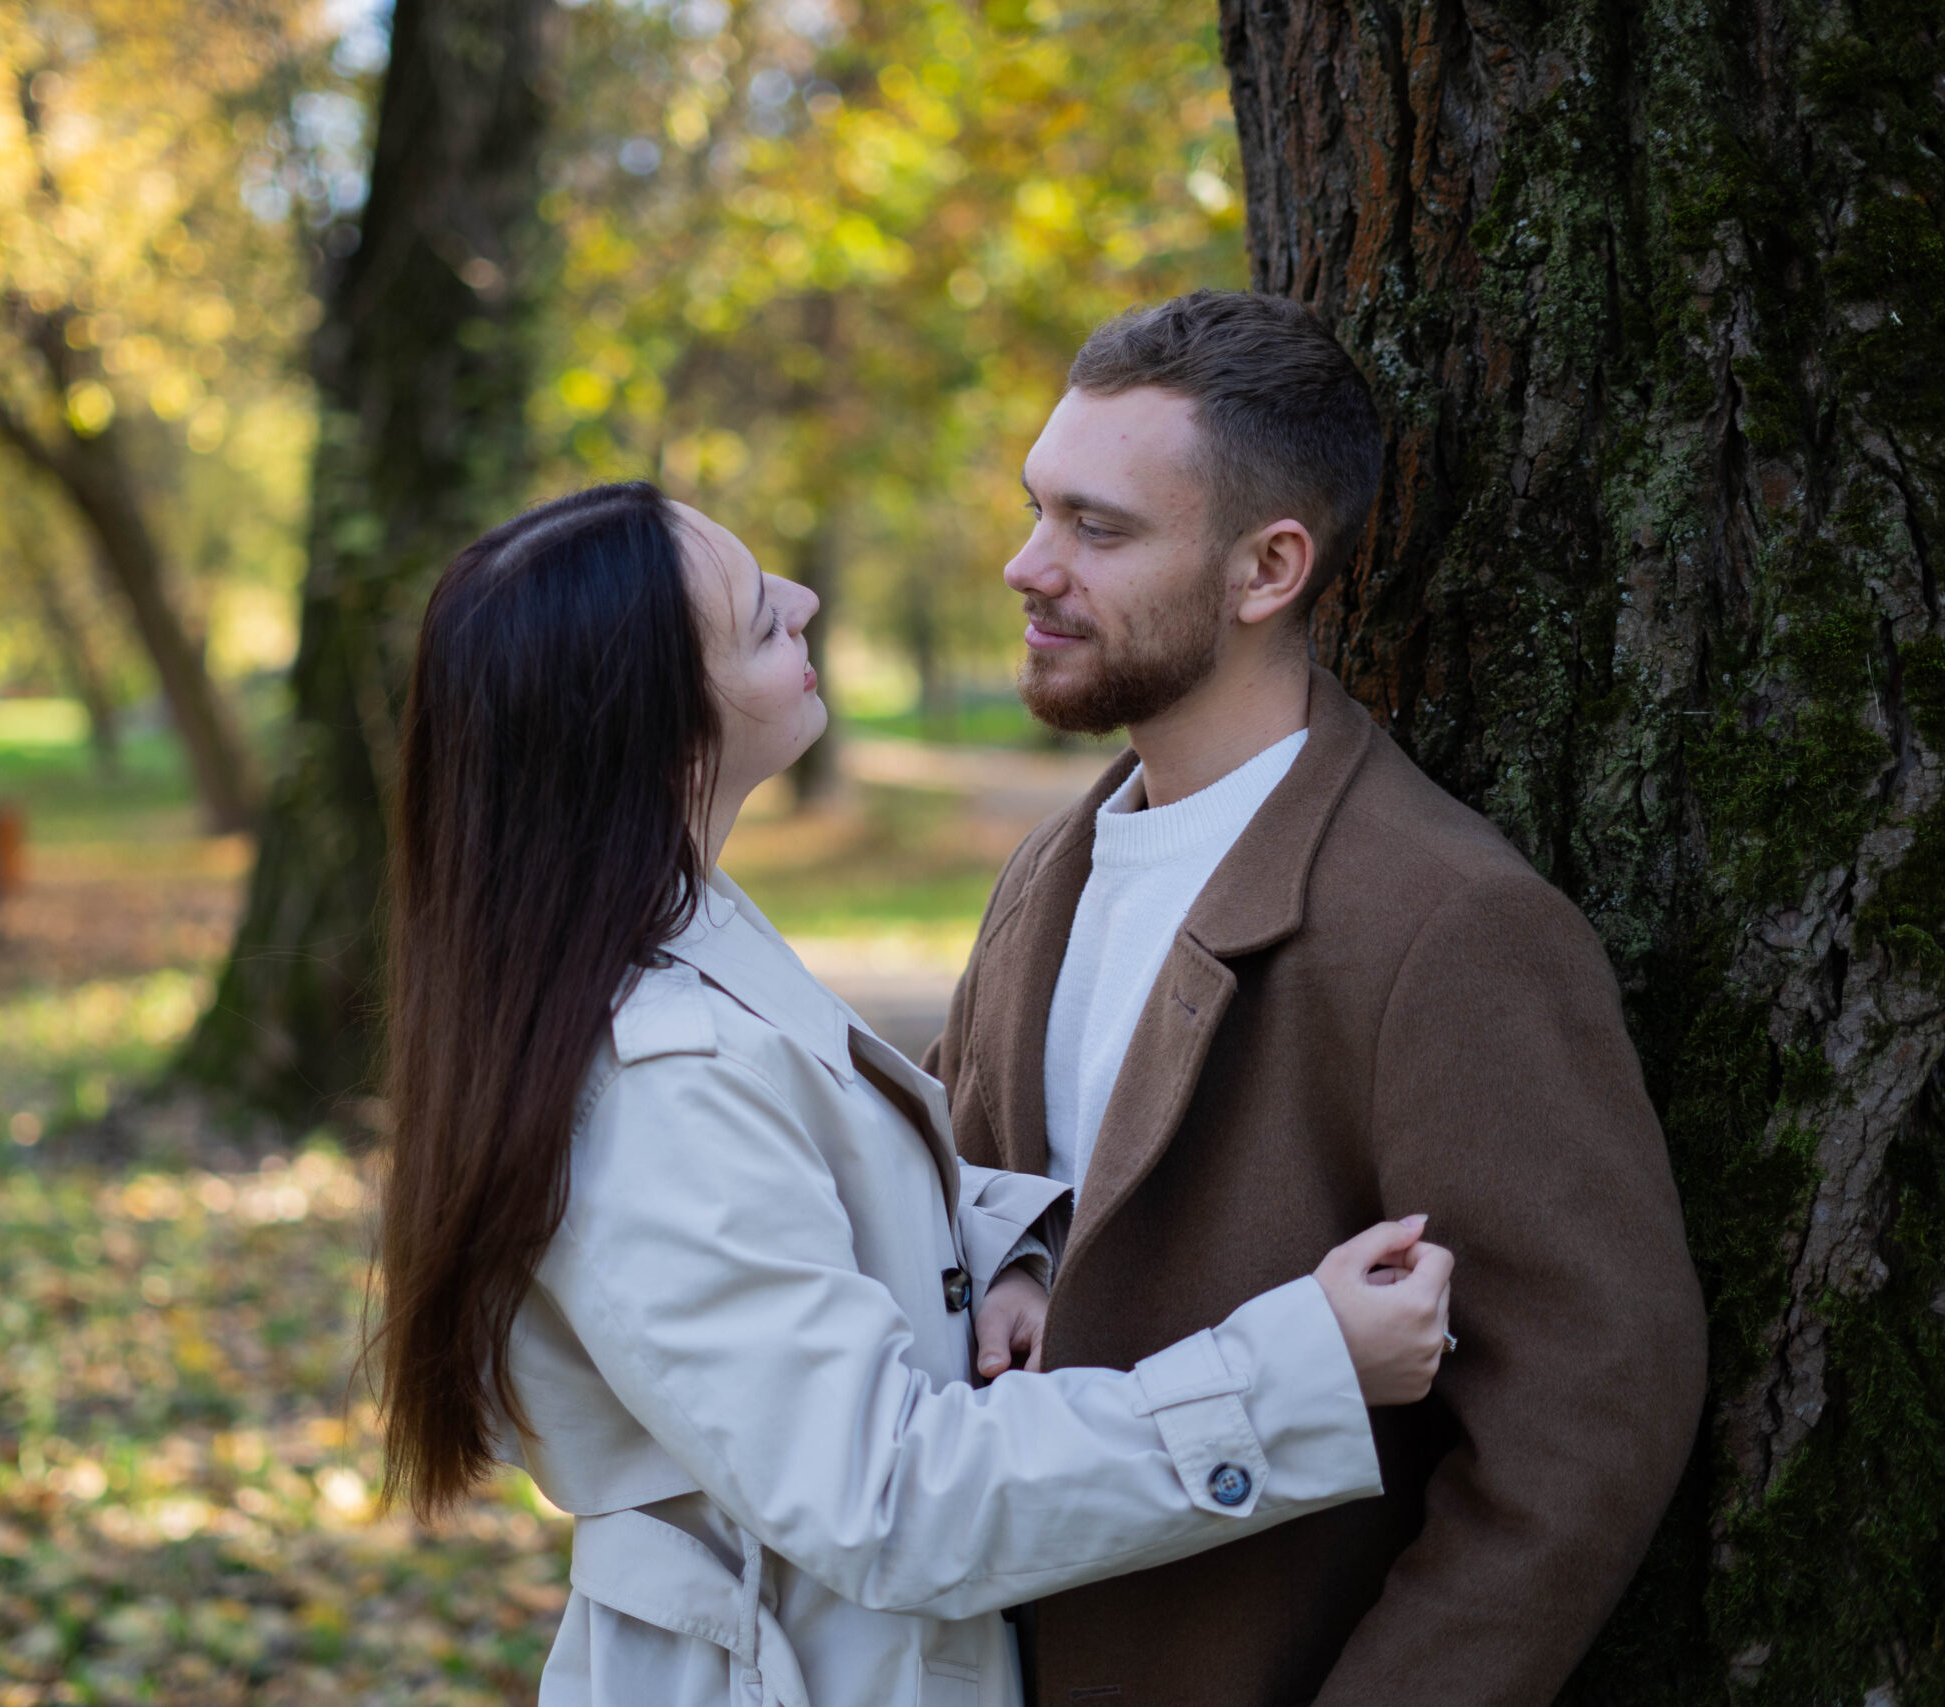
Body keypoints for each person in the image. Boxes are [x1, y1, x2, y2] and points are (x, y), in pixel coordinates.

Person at [373, 478, 1457, 1706]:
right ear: (666, 734)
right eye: (757, 617)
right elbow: (889, 1503)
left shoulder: (680, 937)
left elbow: (806, 1196)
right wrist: (1295, 1371)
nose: (808, 597)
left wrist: (996, 1248)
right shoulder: (657, 1082)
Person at [929, 290, 1709, 1703]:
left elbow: (1588, 1419)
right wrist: (1017, 1258)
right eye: (1038, 508)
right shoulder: (1050, 869)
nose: (1026, 564)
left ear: (1266, 567)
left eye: (1098, 530)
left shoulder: (1446, 923)